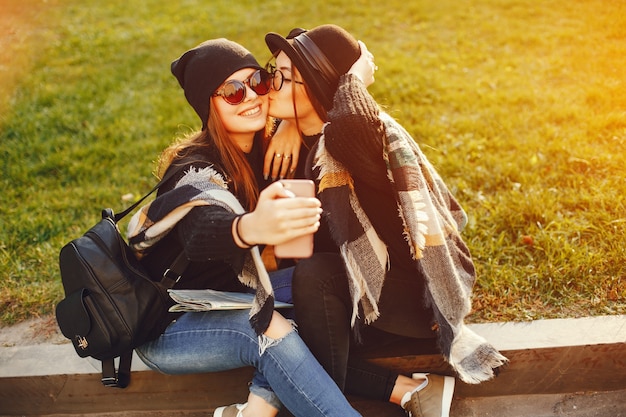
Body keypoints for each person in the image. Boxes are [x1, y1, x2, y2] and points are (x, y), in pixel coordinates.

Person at [263, 24, 509, 417]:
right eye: (273, 71)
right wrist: (291, 122)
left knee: (314, 277)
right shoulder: (299, 139)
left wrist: (354, 75)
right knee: (278, 324)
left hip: (410, 299)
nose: (270, 85)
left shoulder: (354, 141)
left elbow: (349, 122)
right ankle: (410, 391)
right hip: (356, 293)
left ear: (319, 85)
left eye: (285, 77)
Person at [126, 38, 362, 417]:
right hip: (169, 325)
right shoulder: (193, 168)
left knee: (328, 290)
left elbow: (347, 57)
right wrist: (248, 227)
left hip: (225, 298)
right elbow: (203, 229)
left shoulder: (267, 149)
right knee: (270, 330)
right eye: (234, 92)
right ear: (209, 105)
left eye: (258, 81)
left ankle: (253, 409)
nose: (251, 96)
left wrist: (288, 122)